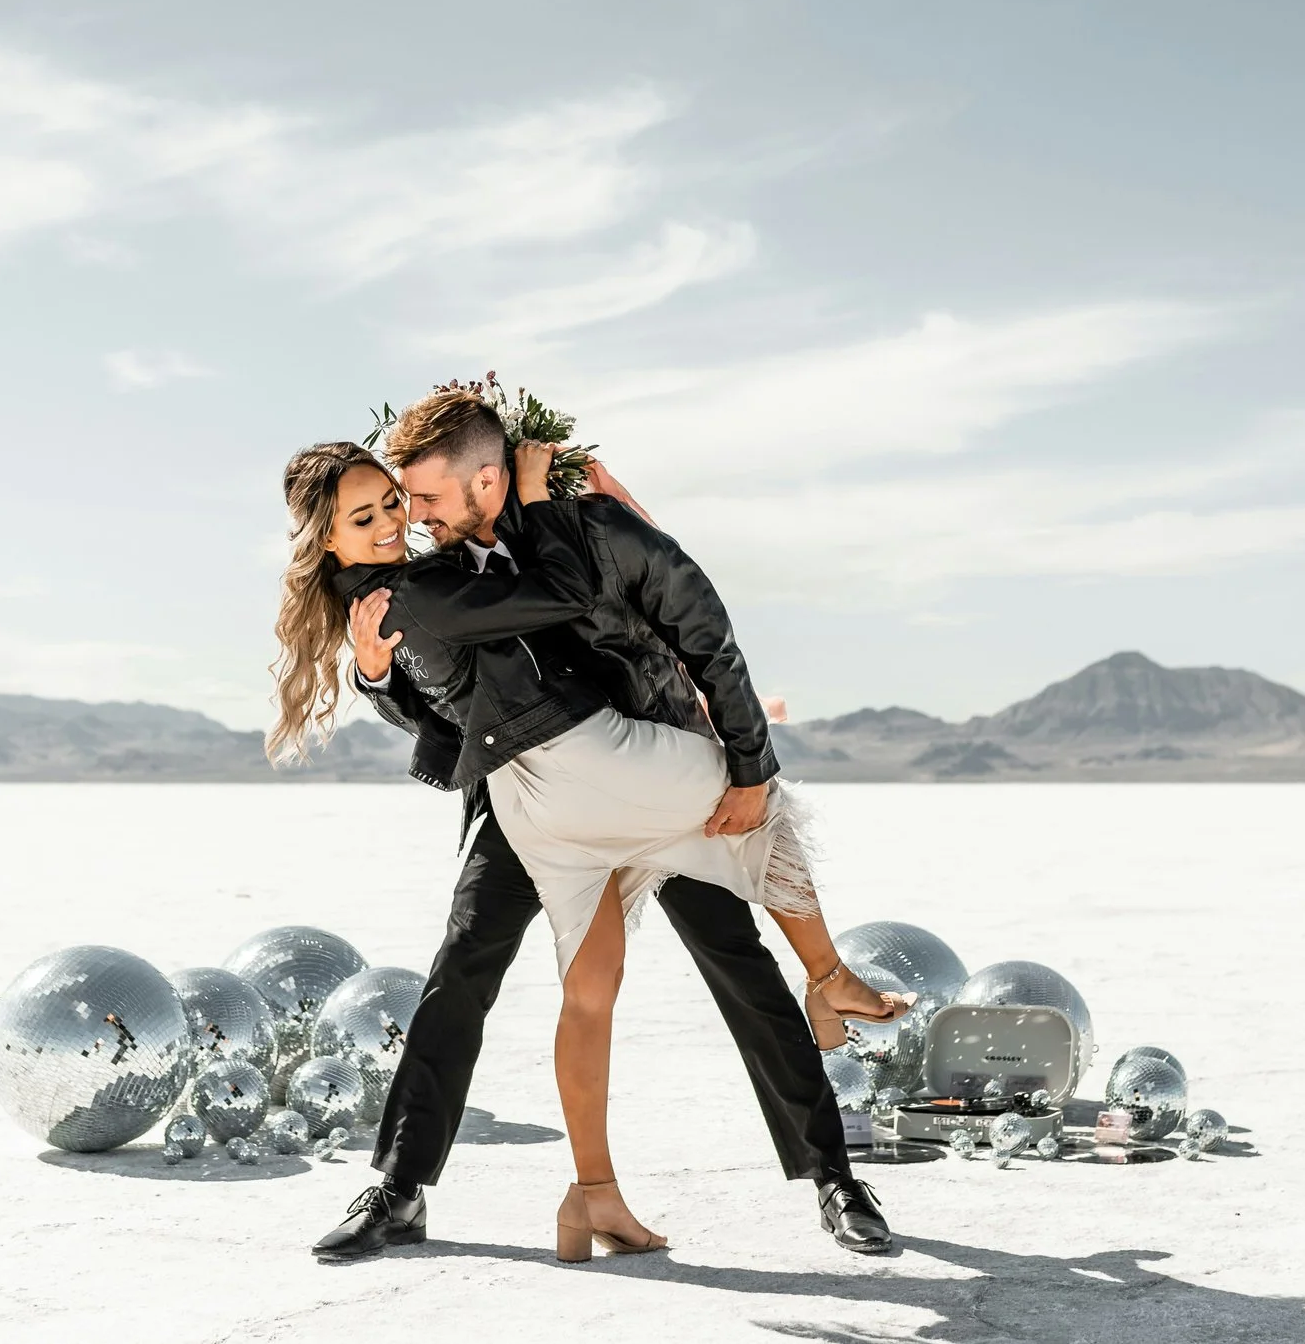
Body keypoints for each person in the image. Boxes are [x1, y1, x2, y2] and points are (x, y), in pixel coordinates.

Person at [268, 398, 901, 1264]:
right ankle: (399, 1187)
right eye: (389, 507)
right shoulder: (436, 571)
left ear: (484, 477)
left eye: (414, 500)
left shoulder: (589, 527)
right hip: (526, 795)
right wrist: (376, 675)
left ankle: (834, 1177)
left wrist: (750, 764)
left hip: (640, 762)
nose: (410, 520)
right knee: (462, 974)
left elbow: (707, 637)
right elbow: (443, 697)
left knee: (738, 963)